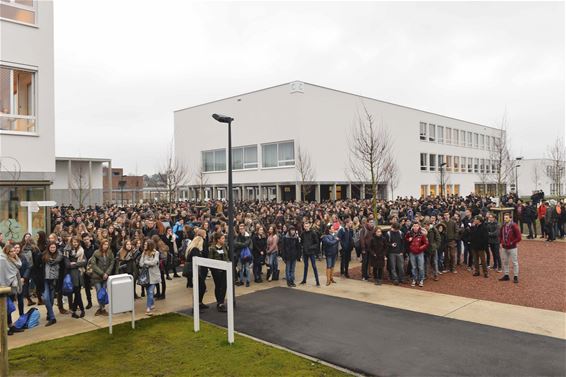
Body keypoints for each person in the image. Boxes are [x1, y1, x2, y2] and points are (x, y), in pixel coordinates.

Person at [0, 244, 23, 334]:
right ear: (7, 252)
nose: (14, 253)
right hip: (3, 287)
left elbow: (16, 268)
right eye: (12, 251)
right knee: (6, 308)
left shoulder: (15, 260)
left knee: (8, 307)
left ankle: (10, 326)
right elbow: (2, 274)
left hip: (10, 287)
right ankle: (7, 327)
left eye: (14, 251)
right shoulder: (2, 260)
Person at [89, 239, 115, 316]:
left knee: (103, 292)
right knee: (99, 292)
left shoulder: (110, 253)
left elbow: (112, 263)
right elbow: (93, 265)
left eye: (107, 244)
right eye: (104, 244)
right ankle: (102, 308)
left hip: (106, 277)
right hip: (97, 277)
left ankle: (102, 308)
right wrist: (102, 273)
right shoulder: (96, 253)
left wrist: (107, 273)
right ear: (101, 245)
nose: (106, 246)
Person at [63, 236, 87, 318]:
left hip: (80, 274)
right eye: (74, 242)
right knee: (77, 293)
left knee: (78, 293)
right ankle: (81, 310)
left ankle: (75, 311)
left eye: (76, 242)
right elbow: (67, 265)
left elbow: (85, 262)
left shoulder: (81, 250)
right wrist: (75, 264)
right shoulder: (67, 251)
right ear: (71, 243)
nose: (75, 243)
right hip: (72, 275)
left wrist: (75, 264)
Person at [186, 231, 208, 309]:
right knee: (201, 287)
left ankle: (199, 303)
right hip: (196, 271)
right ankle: (197, 304)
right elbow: (197, 260)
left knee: (201, 287)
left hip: (196, 271)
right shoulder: (195, 250)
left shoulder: (192, 249)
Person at [42, 242, 62, 327]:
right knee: (46, 298)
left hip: (54, 280)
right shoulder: (44, 256)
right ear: (48, 248)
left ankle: (49, 314)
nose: (52, 249)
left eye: (54, 247)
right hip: (45, 279)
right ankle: (52, 317)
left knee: (51, 299)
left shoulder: (59, 256)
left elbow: (62, 269)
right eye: (51, 247)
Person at [138, 240, 160, 316]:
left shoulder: (156, 253)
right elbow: (140, 263)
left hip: (153, 275)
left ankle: (148, 308)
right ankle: (152, 303)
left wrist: (146, 262)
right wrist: (147, 262)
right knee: (148, 292)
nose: (144, 245)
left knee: (150, 292)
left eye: (146, 244)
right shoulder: (143, 253)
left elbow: (155, 262)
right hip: (146, 276)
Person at [499, 213, 521, 283]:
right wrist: (501, 242)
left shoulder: (514, 226)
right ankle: (506, 275)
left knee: (514, 262)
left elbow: (519, 237)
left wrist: (512, 242)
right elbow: (500, 235)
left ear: (510, 218)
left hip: (512, 247)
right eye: (504, 218)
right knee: (505, 261)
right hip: (504, 247)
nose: (505, 219)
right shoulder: (503, 226)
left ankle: (515, 276)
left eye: (506, 218)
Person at [404, 222, 429, 287]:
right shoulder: (409, 233)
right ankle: (414, 279)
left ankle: (421, 280)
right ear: (412, 227)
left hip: (420, 253)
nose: (415, 227)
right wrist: (408, 239)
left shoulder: (422, 234)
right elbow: (405, 239)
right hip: (412, 253)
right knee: (414, 267)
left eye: (417, 226)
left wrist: (420, 248)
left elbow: (426, 243)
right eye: (414, 226)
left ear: (419, 227)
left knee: (420, 267)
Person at [209, 232, 228, 312]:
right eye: (222, 238)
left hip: (224, 269)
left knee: (224, 286)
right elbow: (210, 260)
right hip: (216, 271)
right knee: (218, 286)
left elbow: (227, 256)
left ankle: (222, 302)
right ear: (218, 240)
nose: (224, 240)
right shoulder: (212, 248)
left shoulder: (224, 246)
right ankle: (219, 302)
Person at [299, 222, 320, 286]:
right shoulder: (302, 233)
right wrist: (303, 247)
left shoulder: (313, 233)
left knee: (314, 266)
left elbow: (317, 243)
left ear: (309, 226)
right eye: (305, 226)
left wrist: (310, 247)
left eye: (307, 226)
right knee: (305, 266)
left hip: (311, 252)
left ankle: (317, 281)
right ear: (304, 226)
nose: (306, 227)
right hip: (305, 252)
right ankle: (304, 280)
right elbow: (301, 242)